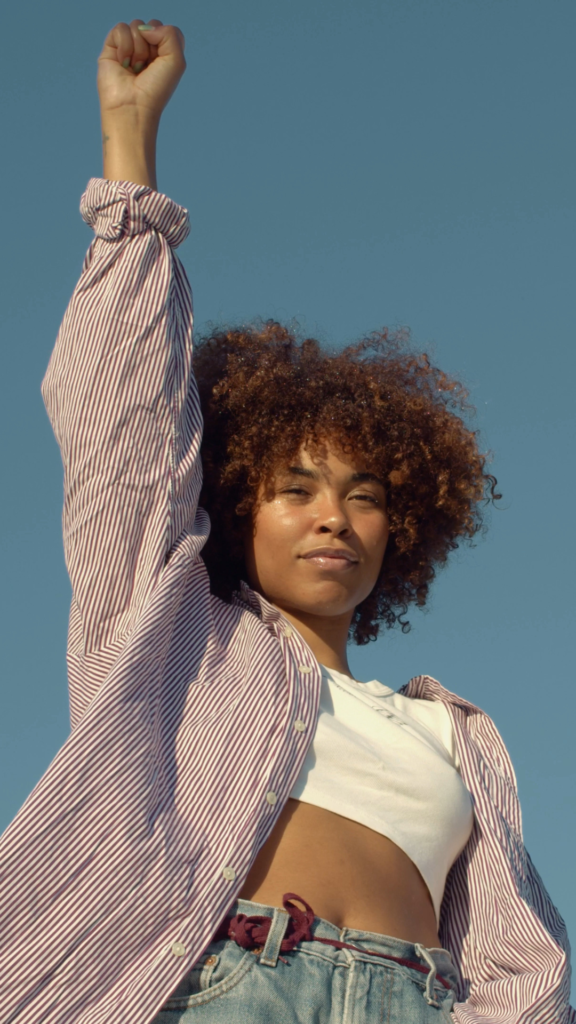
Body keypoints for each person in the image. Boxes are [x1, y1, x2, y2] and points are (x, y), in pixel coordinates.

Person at [0, 18, 573, 1024]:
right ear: (236, 506)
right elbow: (125, 442)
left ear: (404, 532)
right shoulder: (176, 640)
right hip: (220, 988)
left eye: (365, 495)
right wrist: (129, 164)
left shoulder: (454, 733)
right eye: (296, 487)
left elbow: (523, 962)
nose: (333, 518)